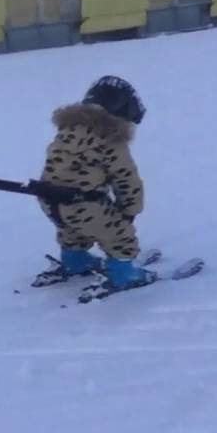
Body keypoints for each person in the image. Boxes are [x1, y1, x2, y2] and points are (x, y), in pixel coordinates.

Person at [30, 75, 153, 292]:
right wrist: (130, 209)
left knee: (71, 229)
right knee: (118, 233)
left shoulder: (66, 131)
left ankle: (76, 262)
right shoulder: (111, 139)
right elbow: (126, 178)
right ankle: (124, 274)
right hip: (83, 203)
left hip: (49, 198)